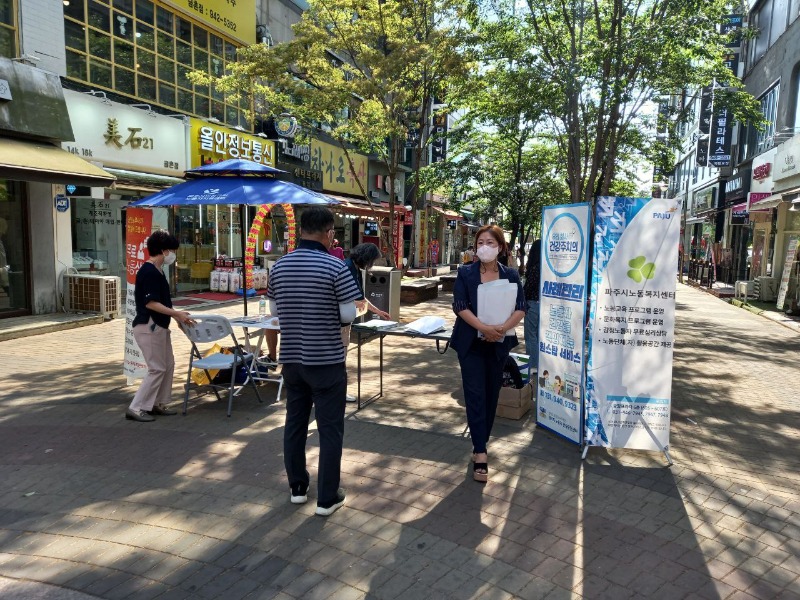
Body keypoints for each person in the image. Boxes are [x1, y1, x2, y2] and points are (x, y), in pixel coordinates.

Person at [267, 206, 362, 516]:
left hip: (292, 360)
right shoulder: (335, 267)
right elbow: (348, 315)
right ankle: (327, 497)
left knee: (294, 424)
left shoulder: (279, 267)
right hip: (327, 362)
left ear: (301, 230)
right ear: (328, 232)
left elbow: (274, 312)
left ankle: (297, 488)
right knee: (330, 429)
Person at [450, 224, 526, 482]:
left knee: (492, 394)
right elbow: (459, 306)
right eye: (480, 242)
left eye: (491, 243)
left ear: (501, 247)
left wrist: (501, 329)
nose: (485, 247)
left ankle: (481, 441)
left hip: (499, 344)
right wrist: (484, 328)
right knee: (475, 395)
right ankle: (480, 451)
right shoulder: (466, 273)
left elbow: (521, 307)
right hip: (471, 344)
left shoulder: (512, 275)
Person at [126, 230, 195, 422]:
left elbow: (163, 303)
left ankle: (156, 403)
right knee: (157, 368)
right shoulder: (148, 272)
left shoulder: (158, 271)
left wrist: (177, 318)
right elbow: (151, 303)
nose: (173, 255)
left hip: (158, 326)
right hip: (149, 325)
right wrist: (177, 314)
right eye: (172, 250)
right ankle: (137, 407)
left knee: (168, 365)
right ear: (163, 251)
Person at [341, 243, 391, 402]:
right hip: (339, 323)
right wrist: (377, 311)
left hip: (342, 320)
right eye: (373, 261)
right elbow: (358, 298)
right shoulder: (348, 268)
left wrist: (377, 311)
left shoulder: (353, 267)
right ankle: (339, 393)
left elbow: (360, 297)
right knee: (339, 359)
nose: (372, 265)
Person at [523, 239, 541, 370]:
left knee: (531, 336)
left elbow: (528, 288)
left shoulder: (535, 268)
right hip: (545, 304)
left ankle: (533, 365)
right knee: (540, 335)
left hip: (533, 304)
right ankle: (541, 363)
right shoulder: (549, 267)